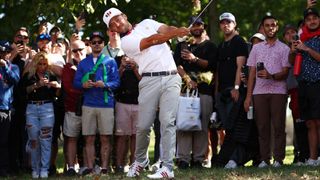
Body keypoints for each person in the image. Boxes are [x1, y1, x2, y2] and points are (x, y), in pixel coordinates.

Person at [103, 7, 189, 179]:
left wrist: (178, 32)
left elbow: (166, 30)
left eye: (118, 19)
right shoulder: (126, 43)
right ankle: (141, 160)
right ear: (112, 30)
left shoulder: (147, 23)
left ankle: (167, 168)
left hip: (172, 77)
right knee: (143, 125)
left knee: (167, 122)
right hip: (149, 80)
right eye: (113, 24)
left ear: (124, 16)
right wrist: (176, 33)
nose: (117, 24)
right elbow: (153, 40)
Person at [244, 15, 290, 168]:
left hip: (279, 91)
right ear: (263, 28)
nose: (270, 28)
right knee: (262, 127)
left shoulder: (285, 48)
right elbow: (251, 73)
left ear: (276, 27)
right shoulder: (256, 48)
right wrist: (248, 97)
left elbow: (285, 72)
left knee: (278, 126)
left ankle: (278, 159)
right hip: (259, 92)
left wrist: (271, 76)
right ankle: (264, 159)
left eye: (273, 25)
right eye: (267, 25)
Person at [174, 16, 218, 169]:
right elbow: (177, 66)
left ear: (203, 26)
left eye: (199, 24)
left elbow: (210, 64)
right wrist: (186, 78)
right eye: (193, 24)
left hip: (205, 91)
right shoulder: (182, 45)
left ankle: (199, 159)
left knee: (202, 126)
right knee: (183, 125)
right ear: (189, 28)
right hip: (184, 92)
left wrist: (194, 59)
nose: (196, 27)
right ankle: (183, 159)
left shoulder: (210, 46)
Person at [73, 31, 120, 175]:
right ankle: (90, 167)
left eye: (99, 42)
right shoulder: (83, 63)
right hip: (88, 104)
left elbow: (117, 82)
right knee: (89, 137)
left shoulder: (110, 61)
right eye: (93, 42)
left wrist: (104, 84)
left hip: (106, 104)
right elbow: (75, 82)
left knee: (106, 137)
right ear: (90, 44)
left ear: (103, 44)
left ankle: (104, 169)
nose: (96, 44)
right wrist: (83, 85)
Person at [214, 12, 248, 167]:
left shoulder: (239, 41)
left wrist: (236, 88)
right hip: (221, 92)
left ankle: (235, 159)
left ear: (235, 24)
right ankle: (229, 158)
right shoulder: (221, 45)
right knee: (227, 127)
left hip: (234, 91)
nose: (225, 25)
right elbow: (218, 70)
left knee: (236, 127)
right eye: (222, 22)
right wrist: (216, 92)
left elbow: (240, 67)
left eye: (229, 22)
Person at [22, 52, 61, 178]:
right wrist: (37, 85)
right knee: (34, 140)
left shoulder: (51, 75)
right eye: (40, 64)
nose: (42, 66)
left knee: (46, 140)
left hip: (47, 108)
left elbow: (58, 93)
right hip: (31, 108)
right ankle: (35, 168)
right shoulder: (29, 75)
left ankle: (45, 169)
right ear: (35, 64)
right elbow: (23, 91)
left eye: (45, 64)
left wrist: (56, 86)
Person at [289, 8, 320, 166]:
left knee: (319, 121)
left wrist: (307, 49)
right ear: (305, 22)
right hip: (303, 85)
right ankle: (313, 158)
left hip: (318, 83)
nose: (312, 21)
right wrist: (294, 50)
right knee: (309, 123)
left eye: (315, 18)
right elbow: (291, 61)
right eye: (309, 19)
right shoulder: (301, 38)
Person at [283, 24, 309, 165]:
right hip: (293, 90)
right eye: (287, 33)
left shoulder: (304, 45)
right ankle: (300, 154)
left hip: (307, 87)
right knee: (297, 122)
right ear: (284, 37)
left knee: (310, 122)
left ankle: (311, 154)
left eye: (293, 32)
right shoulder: (283, 50)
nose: (291, 35)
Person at [62, 40, 87, 176]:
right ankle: (71, 167)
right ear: (71, 53)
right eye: (75, 51)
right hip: (73, 109)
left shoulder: (92, 65)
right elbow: (68, 87)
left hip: (89, 108)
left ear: (86, 49)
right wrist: (84, 88)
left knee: (88, 138)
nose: (78, 53)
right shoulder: (67, 67)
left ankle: (85, 166)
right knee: (71, 138)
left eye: (80, 49)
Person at [0, 41, 20, 177]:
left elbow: (15, 80)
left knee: (3, 141)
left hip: (5, 109)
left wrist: (5, 67)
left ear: (9, 53)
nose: (3, 54)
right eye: (0, 52)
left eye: (6, 52)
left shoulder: (14, 67)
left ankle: (3, 169)